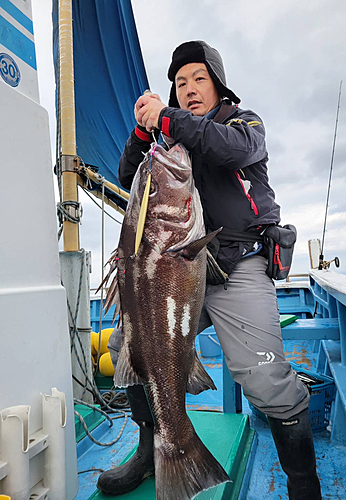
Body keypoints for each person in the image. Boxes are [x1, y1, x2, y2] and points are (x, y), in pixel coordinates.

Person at [97, 41, 321, 500]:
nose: (189, 89)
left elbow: (232, 149)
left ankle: (303, 485)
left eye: (199, 78)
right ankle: (152, 450)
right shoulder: (174, 141)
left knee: (266, 379)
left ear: (218, 85)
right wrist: (143, 136)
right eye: (180, 83)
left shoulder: (244, 124)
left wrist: (165, 119)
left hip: (239, 268)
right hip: (182, 271)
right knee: (126, 345)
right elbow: (126, 176)